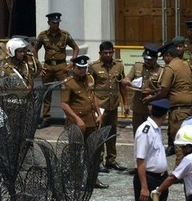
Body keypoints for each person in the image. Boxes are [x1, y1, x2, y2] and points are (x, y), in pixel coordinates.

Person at [59, 55, 107, 189]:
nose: (82, 71)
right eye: (80, 68)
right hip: (77, 124)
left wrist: (99, 113)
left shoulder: (89, 78)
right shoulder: (68, 83)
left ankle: (93, 179)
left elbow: (93, 97)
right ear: (73, 68)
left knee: (93, 151)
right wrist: (77, 119)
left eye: (84, 68)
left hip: (91, 122)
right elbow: (64, 104)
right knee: (76, 152)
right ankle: (76, 181)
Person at [35, 12, 79, 128]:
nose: (56, 25)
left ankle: (70, 119)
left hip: (61, 67)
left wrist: (72, 62)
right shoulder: (43, 36)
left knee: (66, 91)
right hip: (48, 67)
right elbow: (34, 49)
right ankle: (46, 118)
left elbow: (76, 48)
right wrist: (39, 65)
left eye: (57, 23)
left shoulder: (65, 35)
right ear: (49, 23)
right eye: (53, 23)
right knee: (46, 92)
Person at [89, 41, 128, 172]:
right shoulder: (94, 67)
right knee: (99, 134)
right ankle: (98, 161)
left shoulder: (119, 66)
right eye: (105, 53)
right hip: (100, 106)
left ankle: (111, 160)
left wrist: (125, 103)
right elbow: (89, 88)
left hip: (113, 105)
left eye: (110, 52)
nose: (108, 55)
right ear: (100, 53)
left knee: (112, 134)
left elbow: (122, 85)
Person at [151, 42, 192, 156]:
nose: (164, 60)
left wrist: (151, 99)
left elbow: (164, 90)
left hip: (179, 112)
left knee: (180, 146)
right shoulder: (185, 64)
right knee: (190, 144)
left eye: (164, 57)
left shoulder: (170, 67)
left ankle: (180, 167)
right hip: (190, 108)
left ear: (168, 56)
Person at [133, 98, 170, 201]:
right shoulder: (145, 131)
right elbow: (140, 160)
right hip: (148, 179)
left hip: (160, 178)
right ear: (164, 116)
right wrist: (144, 187)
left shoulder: (156, 129)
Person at [122, 43, 165, 133]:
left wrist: (152, 91)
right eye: (145, 59)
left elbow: (163, 90)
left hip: (152, 109)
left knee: (151, 135)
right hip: (138, 107)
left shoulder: (161, 70)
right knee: (137, 134)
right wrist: (127, 81)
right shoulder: (137, 66)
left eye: (150, 60)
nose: (147, 61)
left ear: (155, 58)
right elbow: (127, 79)